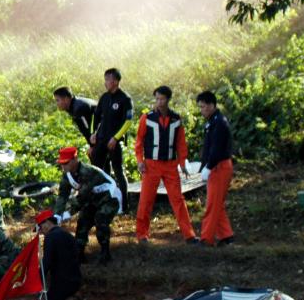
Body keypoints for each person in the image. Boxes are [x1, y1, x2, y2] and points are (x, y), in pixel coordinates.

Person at [134, 86, 197, 244]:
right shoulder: (146, 118)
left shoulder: (176, 119)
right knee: (146, 200)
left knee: (178, 199)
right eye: (157, 99)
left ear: (168, 99)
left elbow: (181, 143)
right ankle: (142, 234)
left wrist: (183, 163)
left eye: (162, 99)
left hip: (170, 165)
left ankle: (189, 234)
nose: (159, 102)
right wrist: (140, 161)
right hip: (151, 165)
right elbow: (139, 142)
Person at [54, 146, 123, 264]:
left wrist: (68, 213)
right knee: (82, 221)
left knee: (100, 219)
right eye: (61, 163)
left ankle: (105, 253)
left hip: (108, 198)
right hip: (92, 199)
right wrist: (57, 215)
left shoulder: (88, 172)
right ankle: (79, 253)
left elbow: (82, 197)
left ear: (75, 159)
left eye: (66, 163)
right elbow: (62, 196)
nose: (63, 166)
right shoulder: (67, 175)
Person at [197, 91, 236, 247]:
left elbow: (217, 149)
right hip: (215, 166)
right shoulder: (212, 121)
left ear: (212, 105)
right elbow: (208, 148)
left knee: (212, 205)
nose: (201, 110)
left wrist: (209, 166)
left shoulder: (220, 122)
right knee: (217, 204)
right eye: (200, 107)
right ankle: (226, 236)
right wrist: (202, 166)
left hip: (220, 167)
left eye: (203, 106)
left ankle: (206, 239)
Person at [91, 69, 133, 212]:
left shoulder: (125, 99)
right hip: (101, 140)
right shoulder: (104, 97)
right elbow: (96, 117)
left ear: (115, 81)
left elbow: (128, 121)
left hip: (115, 142)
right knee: (99, 171)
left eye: (108, 80)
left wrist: (116, 138)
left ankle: (125, 206)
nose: (105, 83)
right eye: (105, 79)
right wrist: (93, 133)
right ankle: (104, 202)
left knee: (118, 171)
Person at [36, 209, 81, 300]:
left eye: (40, 227)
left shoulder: (51, 237)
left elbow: (47, 262)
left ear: (47, 222)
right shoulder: (67, 235)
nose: (40, 231)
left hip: (61, 282)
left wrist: (39, 279)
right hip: (75, 279)